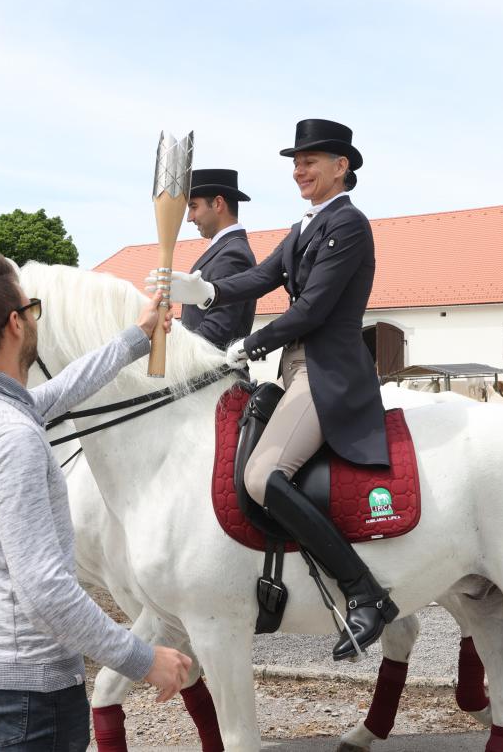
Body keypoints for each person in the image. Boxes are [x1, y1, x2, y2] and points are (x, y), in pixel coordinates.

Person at [150, 119, 397, 661]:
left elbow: (313, 309)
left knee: (263, 475)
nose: (299, 170)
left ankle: (364, 593)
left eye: (310, 161)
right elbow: (261, 278)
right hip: (296, 370)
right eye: (295, 161)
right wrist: (206, 289)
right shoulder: (305, 226)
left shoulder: (349, 225)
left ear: (342, 167)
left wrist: (251, 344)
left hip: (329, 372)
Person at [0, 252, 190, 751]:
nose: (35, 318)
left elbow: (59, 393)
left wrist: (136, 338)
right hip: (32, 692)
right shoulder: (12, 436)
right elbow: (45, 591)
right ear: (16, 322)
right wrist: (143, 658)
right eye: (32, 308)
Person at [180, 168, 258, 348]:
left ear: (218, 204)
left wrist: (173, 349)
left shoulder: (232, 254)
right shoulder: (224, 249)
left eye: (193, 207)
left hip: (214, 373)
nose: (189, 218)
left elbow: (217, 330)